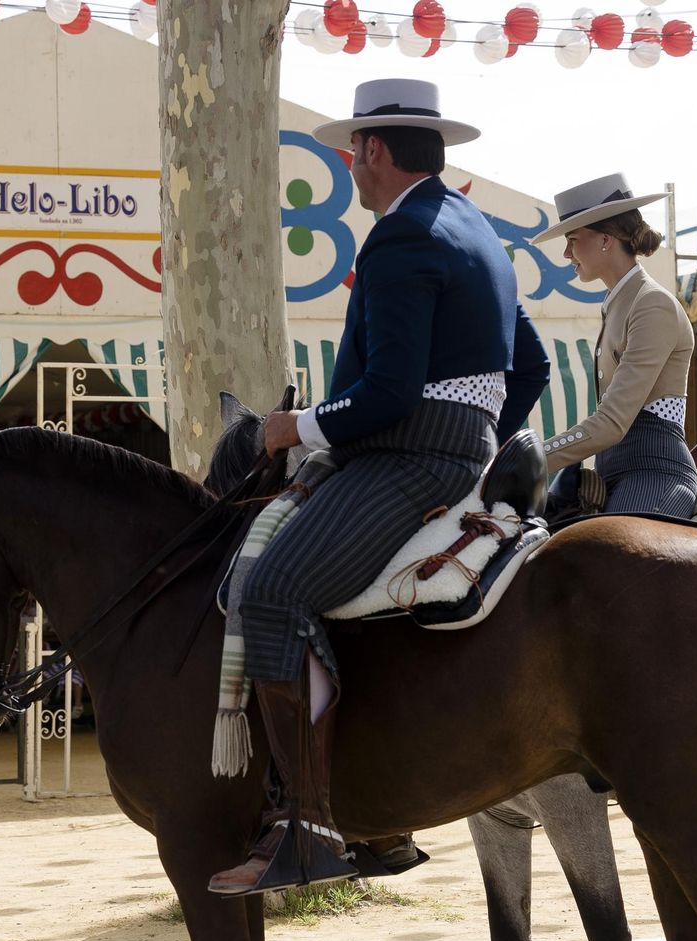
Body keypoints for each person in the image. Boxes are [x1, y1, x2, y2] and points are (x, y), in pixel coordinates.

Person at [209, 78, 551, 897]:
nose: (350, 166)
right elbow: (532, 366)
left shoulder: (399, 237)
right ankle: (380, 815)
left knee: (273, 590)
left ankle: (307, 829)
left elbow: (390, 393)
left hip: (407, 457)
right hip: (455, 454)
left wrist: (297, 427)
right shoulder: (479, 231)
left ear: (375, 150)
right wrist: (477, 436)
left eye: (352, 152)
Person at [527, 174, 697, 517]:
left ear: (606, 240)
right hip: (611, 474)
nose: (566, 253)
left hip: (653, 473)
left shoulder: (652, 304)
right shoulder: (618, 302)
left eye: (573, 240)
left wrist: (530, 459)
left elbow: (611, 423)